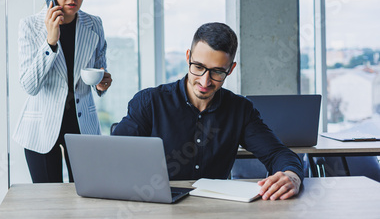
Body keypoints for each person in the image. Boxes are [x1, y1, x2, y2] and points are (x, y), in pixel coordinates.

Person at [112, 22, 303, 200]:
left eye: (218, 72)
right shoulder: (150, 102)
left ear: (231, 69)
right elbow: (114, 155)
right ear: (188, 57)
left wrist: (291, 176)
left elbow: (279, 154)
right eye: (198, 67)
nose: (205, 81)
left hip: (216, 208)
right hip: (155, 205)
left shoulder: (240, 110)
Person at [13, 0, 112, 183]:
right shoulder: (30, 26)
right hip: (41, 129)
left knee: (88, 198)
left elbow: (99, 68)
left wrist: (102, 83)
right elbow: (29, 85)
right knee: (49, 203)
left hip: (82, 125)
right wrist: (50, 42)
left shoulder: (94, 24)